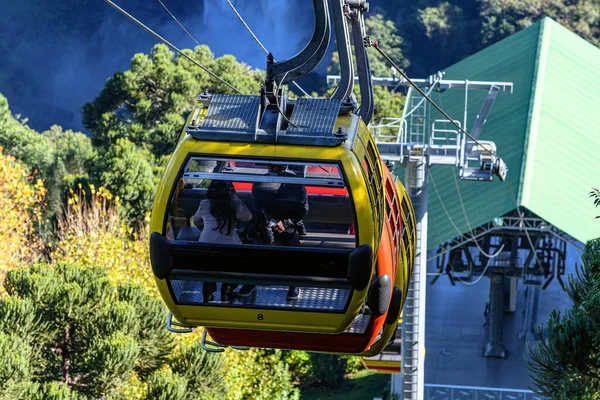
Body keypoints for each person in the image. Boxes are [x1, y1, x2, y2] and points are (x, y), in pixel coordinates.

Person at [238, 164, 309, 301]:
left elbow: (303, 209)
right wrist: (269, 227)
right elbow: (259, 209)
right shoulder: (260, 183)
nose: (276, 169)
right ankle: (251, 281)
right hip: (266, 222)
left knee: (292, 247)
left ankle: (294, 284)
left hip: (289, 223)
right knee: (256, 246)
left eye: (279, 166)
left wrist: (286, 222)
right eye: (273, 166)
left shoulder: (296, 184)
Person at [194, 180, 252, 302]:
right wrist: (234, 197)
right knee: (233, 264)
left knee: (209, 268)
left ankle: (207, 295)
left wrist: (204, 230)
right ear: (230, 192)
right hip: (231, 248)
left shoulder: (204, 204)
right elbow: (248, 217)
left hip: (206, 246)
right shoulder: (233, 203)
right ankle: (226, 293)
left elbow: (196, 221)